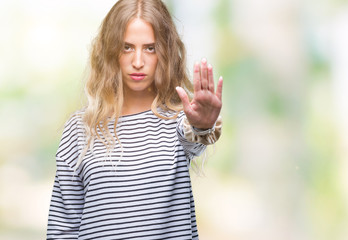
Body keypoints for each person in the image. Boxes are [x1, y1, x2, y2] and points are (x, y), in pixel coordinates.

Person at [46, 0, 223, 239]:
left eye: (150, 48)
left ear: (165, 52)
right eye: (126, 47)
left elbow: (197, 136)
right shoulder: (80, 129)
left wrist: (203, 123)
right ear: (109, 50)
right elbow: (62, 228)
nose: (138, 61)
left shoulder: (178, 122)